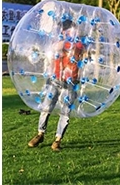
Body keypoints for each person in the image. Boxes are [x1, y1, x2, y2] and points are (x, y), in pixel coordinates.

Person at [28, 18, 85, 151]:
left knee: (65, 112)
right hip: (55, 80)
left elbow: (81, 49)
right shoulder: (57, 43)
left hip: (71, 82)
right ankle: (40, 134)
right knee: (46, 107)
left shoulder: (79, 44)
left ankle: (57, 140)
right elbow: (55, 48)